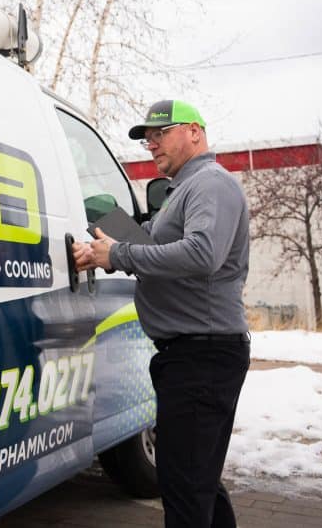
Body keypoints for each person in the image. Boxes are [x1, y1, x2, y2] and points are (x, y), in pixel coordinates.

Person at [74, 100, 250, 528]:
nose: (151, 143)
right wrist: (103, 246)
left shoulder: (210, 184)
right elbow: (146, 246)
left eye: (160, 133)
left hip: (202, 354)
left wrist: (116, 253)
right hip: (189, 354)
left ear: (194, 131)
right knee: (198, 479)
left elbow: (202, 253)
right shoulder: (178, 193)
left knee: (185, 487)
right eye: (147, 138)